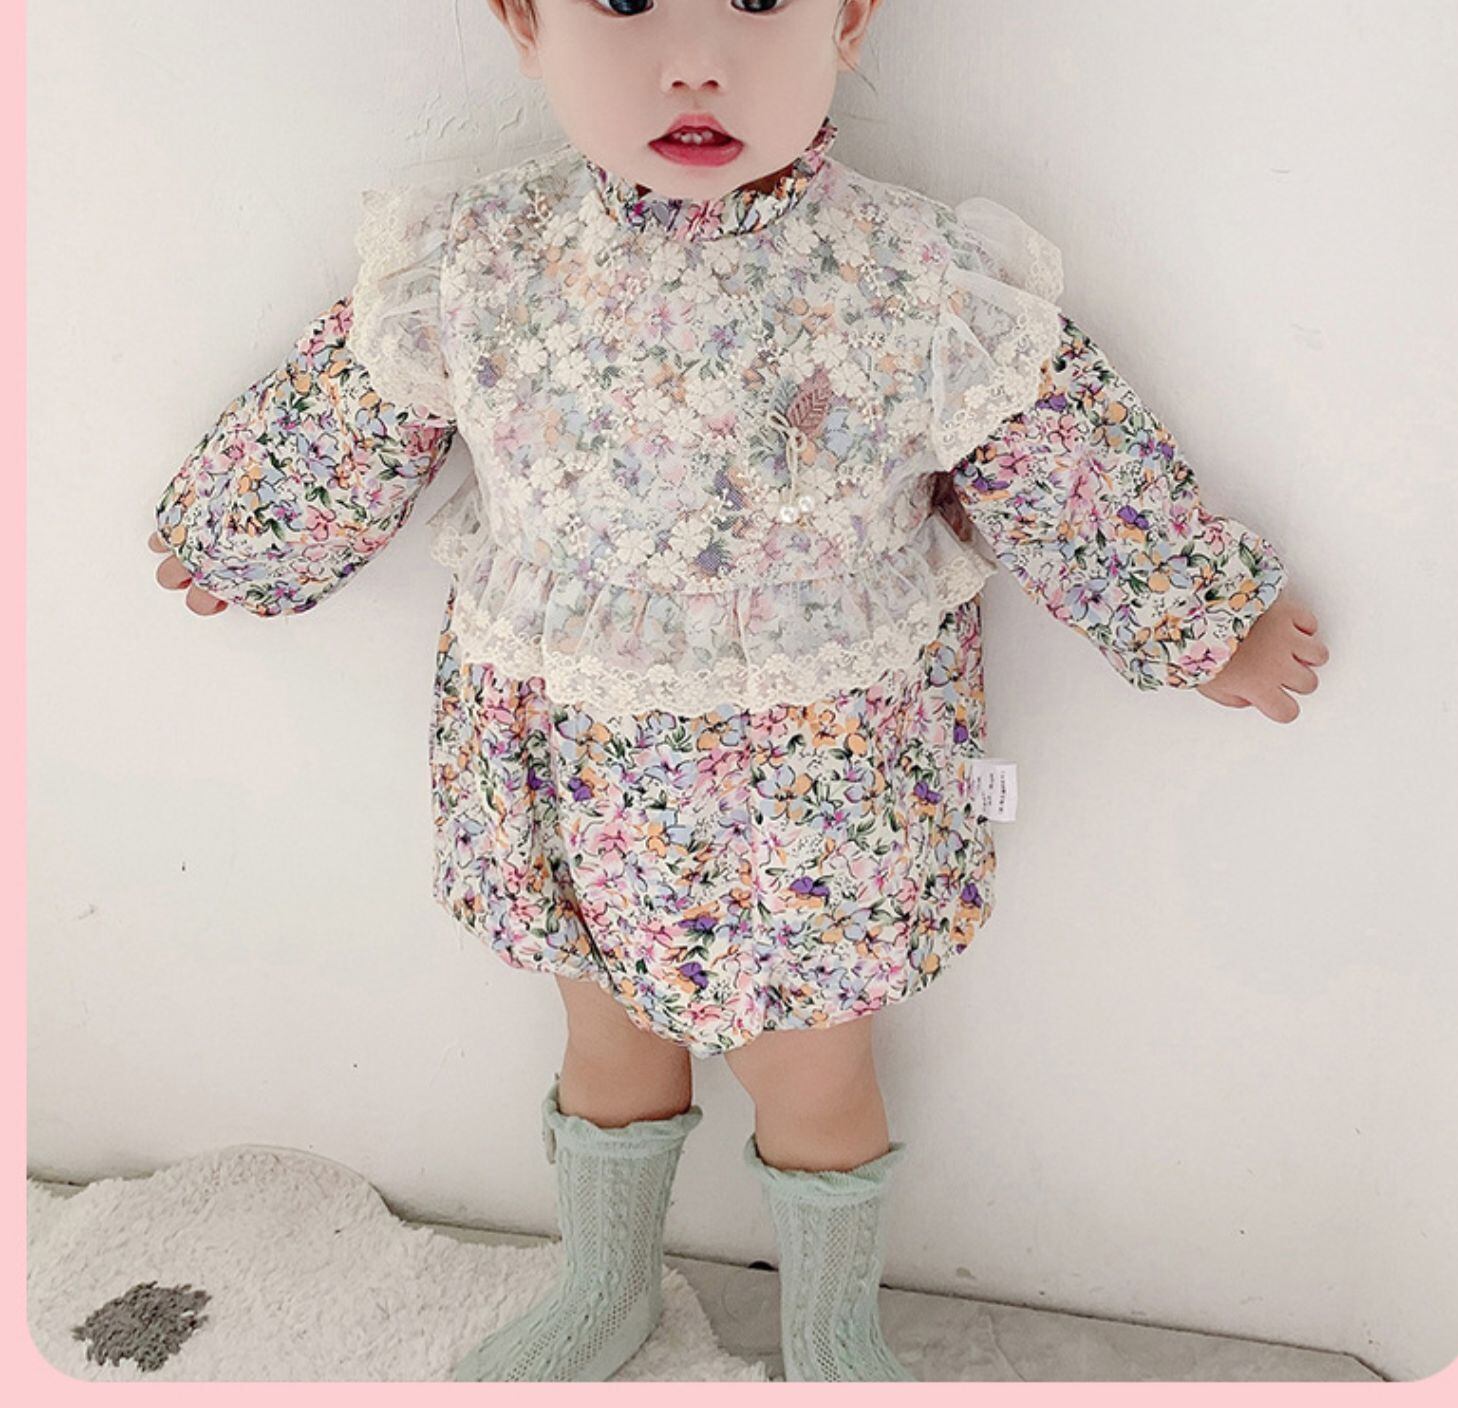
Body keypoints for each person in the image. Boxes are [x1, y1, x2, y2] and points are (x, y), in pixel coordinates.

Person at [147, 0, 1330, 1383]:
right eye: (626, 3)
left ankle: (836, 1337)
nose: (696, 61)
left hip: (818, 788)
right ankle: (606, 1286)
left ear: (848, 18)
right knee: (606, 1037)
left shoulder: (916, 281)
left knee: (810, 1065)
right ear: (524, 19)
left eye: (761, 1)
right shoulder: (479, 261)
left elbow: (1061, 465)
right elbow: (357, 412)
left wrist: (1203, 618)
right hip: (577, 769)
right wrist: (248, 530)